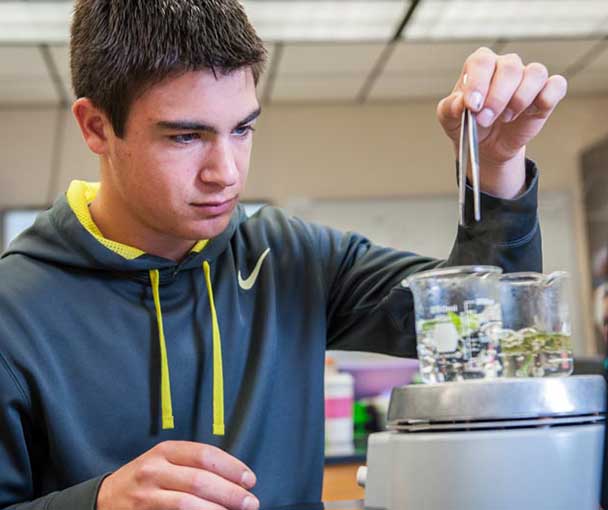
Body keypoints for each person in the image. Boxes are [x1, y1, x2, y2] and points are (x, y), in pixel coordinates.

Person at [0, 1, 567, 509]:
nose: (226, 173)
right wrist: (95, 504)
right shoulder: (14, 310)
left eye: (242, 129)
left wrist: (493, 167)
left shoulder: (295, 258)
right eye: (185, 137)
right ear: (96, 127)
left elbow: (492, 327)